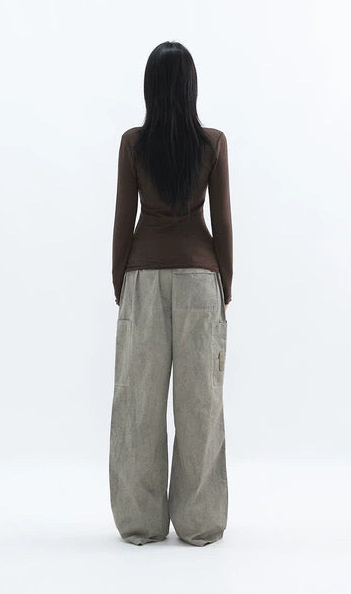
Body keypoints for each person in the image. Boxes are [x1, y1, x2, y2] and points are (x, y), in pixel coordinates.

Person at [109, 40, 233, 547]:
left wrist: (120, 283)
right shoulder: (212, 143)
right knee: (200, 403)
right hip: (201, 281)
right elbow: (222, 222)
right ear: (191, 87)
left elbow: (124, 219)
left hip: (143, 278)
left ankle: (140, 523)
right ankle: (200, 523)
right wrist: (225, 287)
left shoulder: (133, 144)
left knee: (138, 402)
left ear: (150, 88)